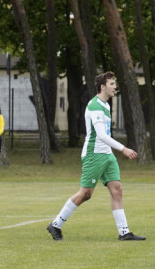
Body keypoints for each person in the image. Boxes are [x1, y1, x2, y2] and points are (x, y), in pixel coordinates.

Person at [46, 71, 145, 242]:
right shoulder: (95, 106)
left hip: (107, 155)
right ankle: (56, 224)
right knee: (85, 194)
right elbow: (101, 135)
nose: (115, 87)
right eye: (112, 84)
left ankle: (124, 232)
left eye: (115, 83)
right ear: (103, 87)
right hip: (94, 155)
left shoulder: (105, 105)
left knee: (117, 190)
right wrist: (123, 149)